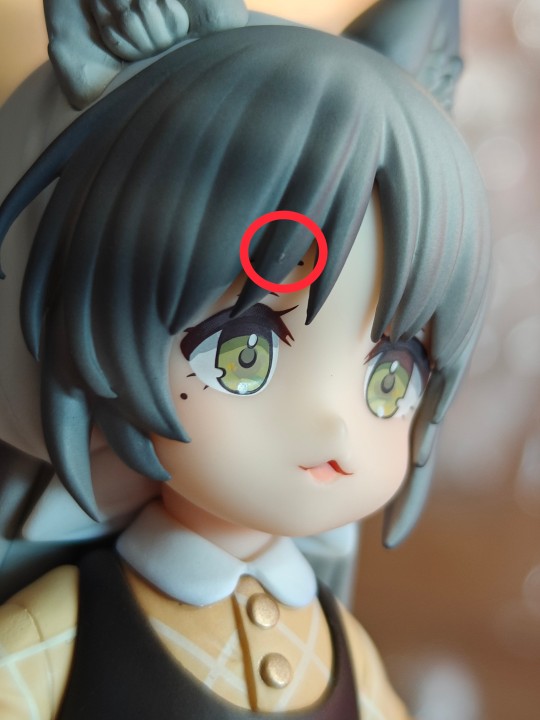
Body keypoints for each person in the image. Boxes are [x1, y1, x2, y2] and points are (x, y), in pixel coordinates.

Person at [0, 2, 490, 718]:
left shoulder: (341, 648)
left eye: (391, 376)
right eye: (242, 353)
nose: (335, 425)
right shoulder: (56, 634)